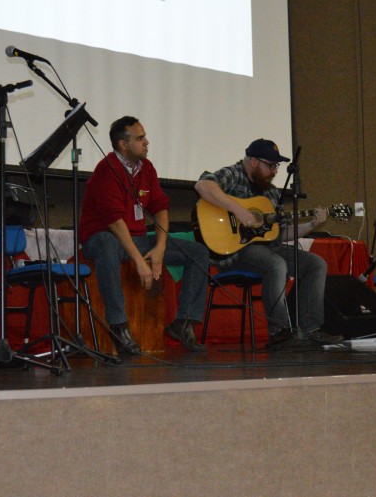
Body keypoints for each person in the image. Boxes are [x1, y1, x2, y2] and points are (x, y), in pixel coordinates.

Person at [78, 117, 211, 355]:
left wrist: (160, 247)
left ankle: (183, 323)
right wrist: (140, 261)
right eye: (140, 138)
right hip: (103, 237)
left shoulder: (146, 168)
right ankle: (119, 326)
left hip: (136, 238)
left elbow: (160, 207)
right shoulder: (106, 171)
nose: (146, 142)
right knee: (107, 243)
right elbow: (115, 223)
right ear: (123, 144)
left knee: (198, 252)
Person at [195, 139, 343, 346]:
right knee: (276, 264)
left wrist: (311, 225)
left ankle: (311, 329)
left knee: (316, 264)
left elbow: (280, 233)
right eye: (271, 165)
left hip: (268, 249)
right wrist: (238, 210)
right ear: (254, 162)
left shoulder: (271, 193)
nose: (274, 171)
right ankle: (279, 332)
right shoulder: (234, 175)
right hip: (234, 251)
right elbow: (202, 185)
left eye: (276, 166)